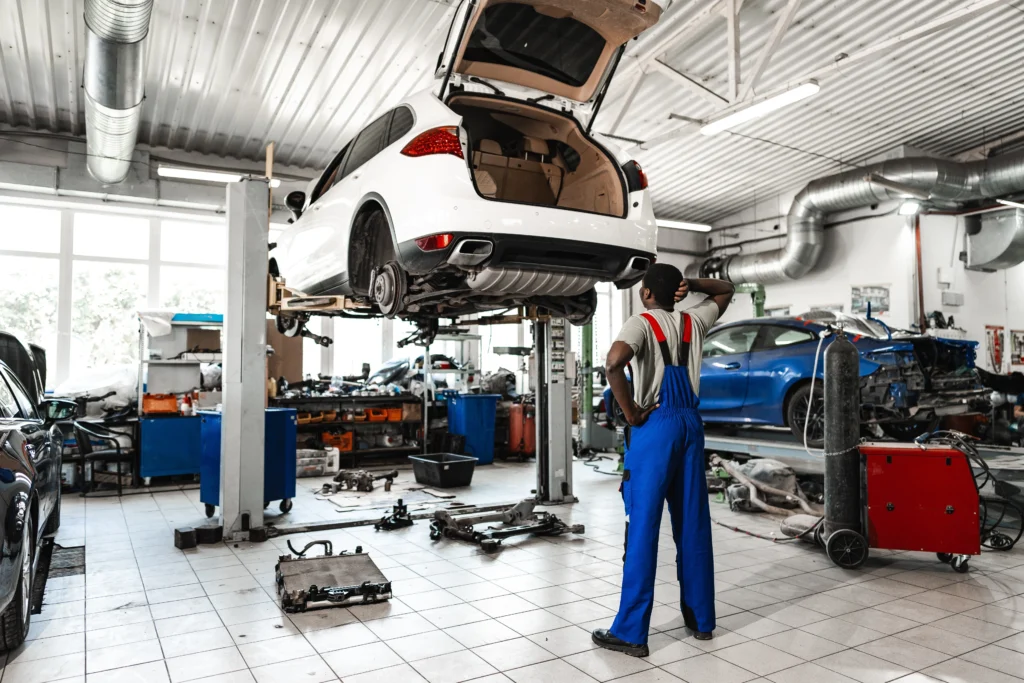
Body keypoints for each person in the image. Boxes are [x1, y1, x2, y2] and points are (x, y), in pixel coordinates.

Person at [592, 263, 735, 658]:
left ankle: (631, 632)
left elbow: (613, 363)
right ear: (677, 292)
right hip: (691, 424)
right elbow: (725, 288)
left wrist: (631, 413)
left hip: (655, 426)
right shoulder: (694, 321)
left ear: (645, 293)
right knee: (693, 524)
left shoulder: (640, 323)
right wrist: (692, 285)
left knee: (643, 527)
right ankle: (701, 621)